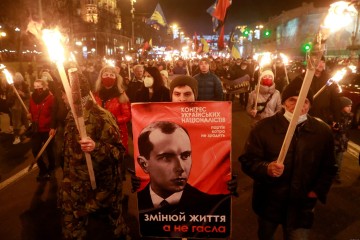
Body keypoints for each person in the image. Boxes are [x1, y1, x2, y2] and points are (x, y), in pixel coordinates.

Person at [239, 77, 337, 240]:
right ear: (284, 102)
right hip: (269, 202)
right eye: (292, 100)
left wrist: (317, 191)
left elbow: (329, 166)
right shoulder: (263, 128)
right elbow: (248, 160)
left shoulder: (322, 131)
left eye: (304, 101)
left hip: (302, 205)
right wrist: (266, 168)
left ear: (310, 104)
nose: (299, 105)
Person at [58, 72, 130, 240]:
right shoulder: (71, 115)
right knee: (72, 229)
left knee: (113, 228)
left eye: (63, 93)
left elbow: (118, 152)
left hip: (100, 188)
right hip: (74, 188)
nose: (61, 98)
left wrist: (96, 147)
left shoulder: (101, 117)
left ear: (72, 94)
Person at [136, 121, 231, 238]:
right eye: (166, 157)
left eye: (185, 156)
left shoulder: (213, 206)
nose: (180, 168)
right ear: (144, 164)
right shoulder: (137, 202)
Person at [93, 65, 131, 153]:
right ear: (101, 77)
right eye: (106, 74)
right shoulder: (96, 95)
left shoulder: (121, 95)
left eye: (111, 75)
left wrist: (111, 120)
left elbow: (127, 115)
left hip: (117, 132)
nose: (108, 77)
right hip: (100, 133)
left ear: (116, 78)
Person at [28, 79, 57, 181]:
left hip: (47, 129)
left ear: (44, 86)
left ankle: (52, 167)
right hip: (36, 129)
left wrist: (53, 127)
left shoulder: (50, 98)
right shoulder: (32, 97)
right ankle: (43, 170)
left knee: (49, 150)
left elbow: (54, 113)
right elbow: (30, 108)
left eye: (39, 86)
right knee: (35, 150)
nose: (37, 88)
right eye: (35, 86)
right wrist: (29, 114)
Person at [308, 57, 341, 125]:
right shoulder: (304, 78)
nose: (321, 64)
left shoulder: (330, 79)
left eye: (323, 62)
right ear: (312, 63)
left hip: (324, 117)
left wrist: (336, 118)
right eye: (319, 61)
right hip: (307, 115)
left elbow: (335, 100)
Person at [332, 96, 353, 183]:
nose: (350, 108)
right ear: (342, 106)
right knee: (332, 159)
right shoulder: (336, 116)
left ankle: (336, 175)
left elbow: (346, 130)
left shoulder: (349, 117)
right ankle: (329, 174)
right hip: (334, 142)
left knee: (339, 160)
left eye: (350, 106)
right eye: (347, 106)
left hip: (342, 143)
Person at [10, 72, 30, 144]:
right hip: (16, 107)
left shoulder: (25, 85)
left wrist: (22, 93)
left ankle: (26, 135)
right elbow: (9, 96)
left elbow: (28, 95)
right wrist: (13, 93)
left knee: (25, 121)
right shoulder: (12, 86)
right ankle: (17, 137)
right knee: (16, 122)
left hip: (24, 106)